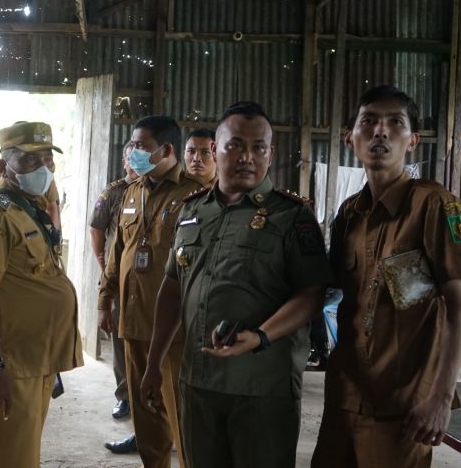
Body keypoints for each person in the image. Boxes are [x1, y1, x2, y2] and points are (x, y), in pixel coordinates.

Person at [140, 101, 332, 468]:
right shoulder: (193, 210)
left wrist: (260, 336)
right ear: (215, 150)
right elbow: (172, 286)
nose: (247, 157)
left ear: (270, 154)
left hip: (262, 389)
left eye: (258, 147)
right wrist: (153, 363)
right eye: (236, 145)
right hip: (197, 383)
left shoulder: (292, 216)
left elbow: (311, 294)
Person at [312, 86, 461, 467]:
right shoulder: (349, 214)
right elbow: (330, 293)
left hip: (402, 406)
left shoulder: (432, 205)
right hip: (344, 397)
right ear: (350, 138)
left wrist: (439, 399)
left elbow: (458, 304)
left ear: (413, 140)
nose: (379, 132)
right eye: (368, 121)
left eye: (394, 123)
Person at [0, 121, 83, 467]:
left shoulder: (26, 210)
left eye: (48, 159)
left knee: (22, 457)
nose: (43, 168)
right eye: (30, 161)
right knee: (3, 458)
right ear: (4, 166)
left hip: (34, 361)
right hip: (8, 364)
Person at [97, 116, 202, 468]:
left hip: (173, 330)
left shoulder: (194, 196)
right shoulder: (131, 191)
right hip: (132, 321)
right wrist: (104, 300)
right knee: (145, 415)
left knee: (181, 415)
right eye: (131, 145)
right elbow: (117, 253)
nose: (132, 152)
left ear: (167, 150)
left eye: (140, 146)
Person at [90, 142, 138, 426]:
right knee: (120, 338)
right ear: (124, 162)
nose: (136, 163)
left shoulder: (161, 190)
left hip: (152, 280)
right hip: (116, 276)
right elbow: (97, 229)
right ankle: (124, 396)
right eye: (132, 158)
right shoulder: (113, 191)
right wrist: (102, 262)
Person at [0, 153, 61, 229]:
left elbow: (51, 207)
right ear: (3, 167)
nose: (42, 165)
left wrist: (52, 236)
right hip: (2, 227)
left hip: (36, 228)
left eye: (48, 158)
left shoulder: (45, 173)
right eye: (31, 158)